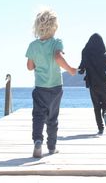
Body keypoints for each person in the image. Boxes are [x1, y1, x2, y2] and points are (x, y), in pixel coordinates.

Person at [26, 8, 77, 158]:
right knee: (52, 118)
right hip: (55, 87)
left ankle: (37, 140)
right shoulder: (57, 42)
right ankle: (52, 146)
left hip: (40, 87)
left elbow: (29, 67)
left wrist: (37, 62)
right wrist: (70, 69)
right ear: (54, 27)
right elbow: (58, 57)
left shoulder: (33, 46)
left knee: (38, 115)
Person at [78, 33, 106, 135]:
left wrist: (82, 69)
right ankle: (105, 113)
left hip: (92, 84)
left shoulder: (86, 56)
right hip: (103, 84)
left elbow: (81, 70)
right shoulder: (105, 57)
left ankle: (100, 128)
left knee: (96, 106)